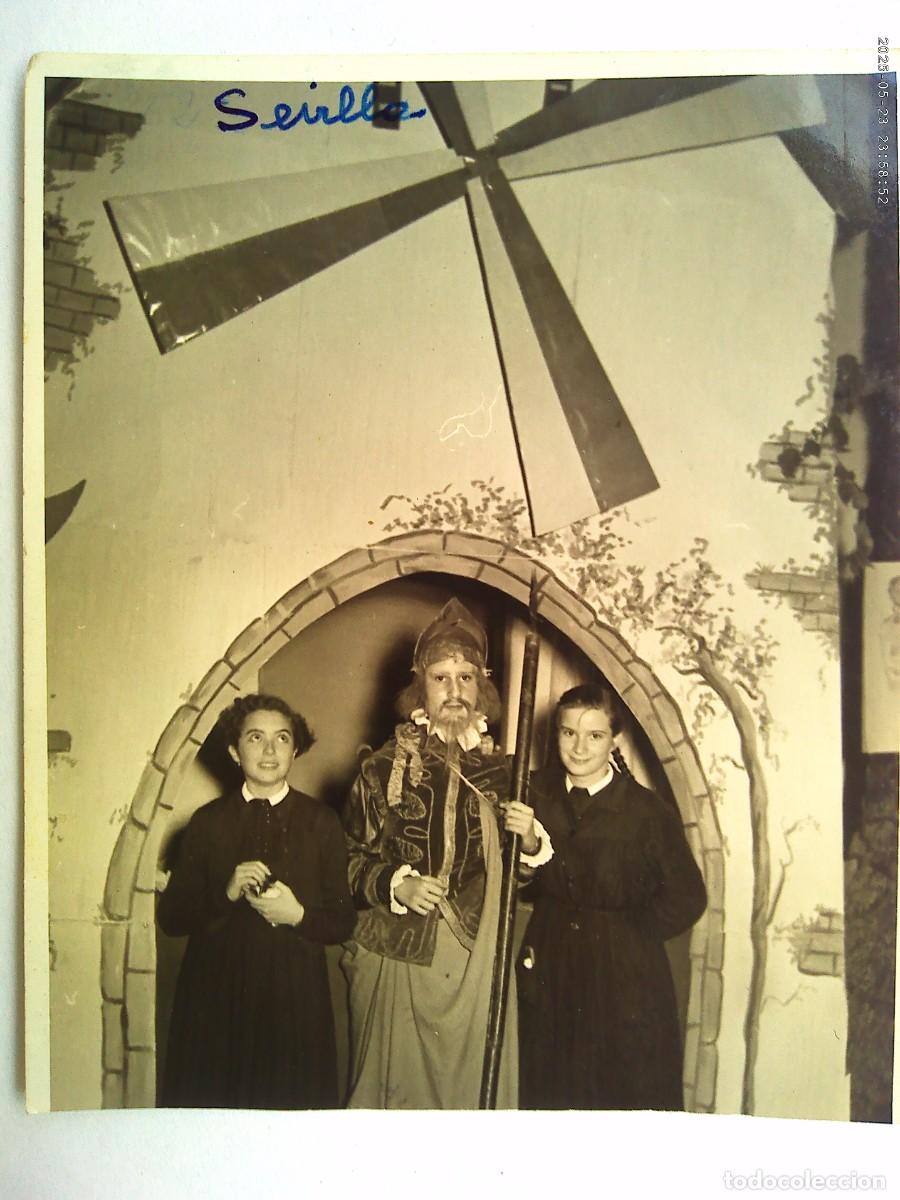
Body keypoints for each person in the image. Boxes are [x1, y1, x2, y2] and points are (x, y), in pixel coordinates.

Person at [341, 598, 550, 1108]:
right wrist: (397, 884)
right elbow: (344, 859)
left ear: (483, 689)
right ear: (420, 689)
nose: (454, 691)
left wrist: (527, 843)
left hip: (478, 958)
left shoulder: (509, 774)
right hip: (403, 951)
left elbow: (521, 883)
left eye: (466, 677)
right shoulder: (380, 768)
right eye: (441, 678)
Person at [157, 692, 355, 1109]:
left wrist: (298, 915)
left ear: (295, 748)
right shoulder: (208, 822)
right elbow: (172, 918)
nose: (269, 751)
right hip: (216, 998)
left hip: (293, 1001)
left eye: (282, 739)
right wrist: (225, 893)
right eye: (255, 738)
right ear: (233, 750)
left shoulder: (321, 822)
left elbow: (343, 921)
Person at [517, 682, 707, 1110]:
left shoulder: (646, 812)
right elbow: (525, 878)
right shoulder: (535, 795)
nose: (579, 747)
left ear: (614, 740)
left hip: (624, 982)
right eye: (569, 733)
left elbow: (688, 897)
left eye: (595, 735)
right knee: (550, 1095)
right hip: (553, 968)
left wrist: (627, 934)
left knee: (620, 1099)